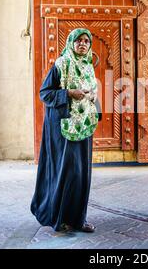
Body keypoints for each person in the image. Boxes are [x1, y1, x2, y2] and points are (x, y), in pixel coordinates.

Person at [30, 28, 99, 233]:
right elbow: (45, 93)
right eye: (78, 40)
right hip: (62, 126)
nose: (83, 44)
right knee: (65, 172)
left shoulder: (88, 66)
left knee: (81, 174)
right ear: (71, 43)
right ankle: (58, 218)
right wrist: (69, 93)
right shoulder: (61, 64)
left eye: (86, 41)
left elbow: (91, 90)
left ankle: (78, 219)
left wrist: (94, 99)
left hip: (83, 126)